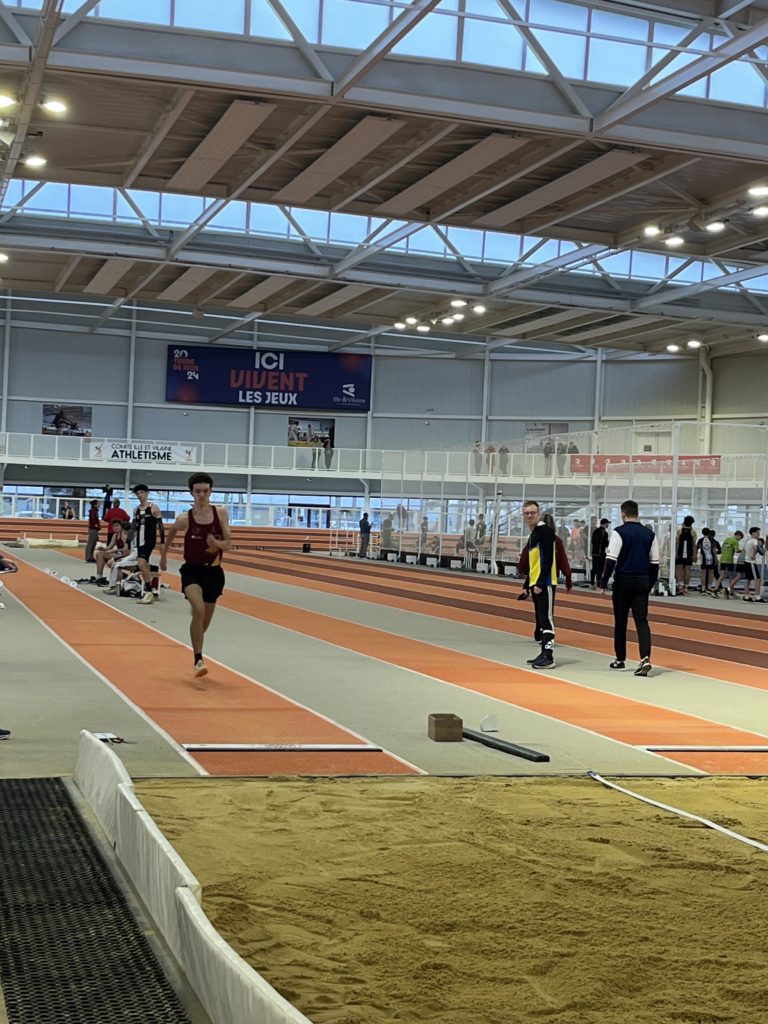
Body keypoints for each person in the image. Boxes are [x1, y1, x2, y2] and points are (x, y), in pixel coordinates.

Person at [160, 472, 232, 677]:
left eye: (205, 491)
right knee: (198, 609)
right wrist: (164, 555)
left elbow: (228, 544)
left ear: (211, 491)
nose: (201, 495)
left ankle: (196, 639)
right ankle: (198, 660)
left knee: (203, 622)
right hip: (192, 571)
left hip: (214, 573)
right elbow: (170, 533)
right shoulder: (184, 519)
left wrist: (216, 543)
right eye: (198, 491)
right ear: (191, 492)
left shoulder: (221, 514)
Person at [600, 499, 659, 677]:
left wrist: (603, 582)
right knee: (642, 621)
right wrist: (649, 584)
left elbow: (611, 560)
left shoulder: (619, 532)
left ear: (623, 514)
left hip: (623, 581)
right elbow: (655, 563)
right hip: (642, 581)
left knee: (621, 622)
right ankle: (645, 658)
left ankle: (620, 659)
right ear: (637, 513)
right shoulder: (650, 535)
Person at [519, 501, 558, 669]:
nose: (529, 516)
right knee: (541, 619)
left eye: (532, 513)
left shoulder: (546, 532)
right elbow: (534, 564)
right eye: (526, 513)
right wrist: (527, 585)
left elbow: (548, 559)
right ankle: (543, 653)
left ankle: (548, 656)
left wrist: (541, 581)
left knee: (547, 619)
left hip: (545, 582)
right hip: (536, 582)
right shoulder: (534, 534)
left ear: (539, 514)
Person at [130, 483, 165, 605]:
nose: (140, 495)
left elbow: (160, 526)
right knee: (144, 564)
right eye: (138, 493)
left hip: (149, 540)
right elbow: (133, 527)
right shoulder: (136, 510)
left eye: (142, 493)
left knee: (141, 563)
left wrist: (162, 542)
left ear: (147, 493)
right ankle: (149, 590)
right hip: (139, 540)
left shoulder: (154, 508)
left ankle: (149, 591)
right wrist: (127, 542)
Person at [95, 520, 130, 585]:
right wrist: (102, 548)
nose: (115, 527)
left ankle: (99, 577)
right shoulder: (115, 535)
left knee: (101, 555)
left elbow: (127, 549)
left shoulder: (124, 535)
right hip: (119, 553)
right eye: (113, 526)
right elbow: (109, 547)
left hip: (126, 555)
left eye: (117, 526)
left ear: (121, 527)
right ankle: (99, 576)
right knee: (98, 554)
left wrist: (114, 550)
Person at [714, 530, 742, 598]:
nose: (739, 540)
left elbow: (722, 548)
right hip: (729, 561)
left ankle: (715, 591)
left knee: (721, 577)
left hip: (722, 560)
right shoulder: (735, 541)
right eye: (740, 538)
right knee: (731, 577)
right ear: (738, 535)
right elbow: (736, 550)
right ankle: (730, 592)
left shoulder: (726, 539)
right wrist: (742, 550)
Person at [674, 515, 696, 595]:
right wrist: (695, 555)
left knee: (679, 569)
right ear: (692, 523)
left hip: (680, 553)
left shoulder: (679, 531)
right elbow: (694, 545)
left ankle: (680, 586)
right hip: (689, 554)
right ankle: (686, 587)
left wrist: (676, 553)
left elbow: (677, 543)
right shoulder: (693, 532)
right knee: (688, 570)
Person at [743, 527, 765, 602]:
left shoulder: (748, 541)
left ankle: (746, 596)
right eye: (757, 532)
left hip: (746, 561)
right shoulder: (755, 541)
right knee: (758, 579)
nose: (759, 534)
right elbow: (755, 548)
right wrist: (753, 556)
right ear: (753, 533)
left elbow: (745, 550)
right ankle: (757, 597)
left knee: (748, 579)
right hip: (751, 562)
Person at [696, 528, 721, 594]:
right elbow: (714, 550)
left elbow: (696, 548)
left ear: (702, 533)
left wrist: (695, 556)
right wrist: (716, 559)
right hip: (711, 558)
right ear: (709, 533)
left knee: (703, 573)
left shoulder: (700, 540)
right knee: (711, 573)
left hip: (703, 559)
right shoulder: (711, 540)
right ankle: (709, 586)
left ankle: (703, 588)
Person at [590, 518, 610, 588]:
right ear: (605, 524)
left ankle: (592, 582)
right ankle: (598, 582)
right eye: (607, 523)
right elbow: (605, 543)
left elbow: (592, 541)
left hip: (594, 553)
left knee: (594, 568)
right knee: (600, 568)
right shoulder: (604, 533)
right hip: (601, 553)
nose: (608, 525)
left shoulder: (595, 531)